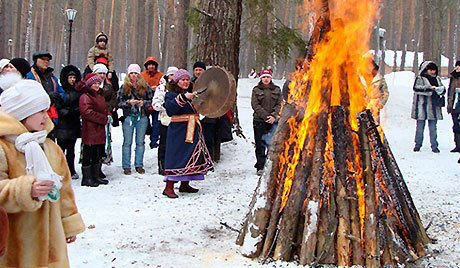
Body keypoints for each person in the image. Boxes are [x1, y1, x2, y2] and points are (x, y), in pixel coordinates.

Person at [0, 75, 85, 266]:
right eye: (40, 111)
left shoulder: (49, 148)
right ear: (23, 112)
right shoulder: (3, 148)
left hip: (51, 248)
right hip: (17, 248)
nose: (47, 116)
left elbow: (64, 191)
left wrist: (68, 223)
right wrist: (26, 190)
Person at [162, 69, 214, 198]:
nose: (185, 82)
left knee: (191, 155)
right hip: (178, 131)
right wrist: (183, 98)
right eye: (182, 80)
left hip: (192, 128)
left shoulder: (191, 94)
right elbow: (170, 109)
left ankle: (185, 184)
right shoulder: (171, 94)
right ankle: (168, 187)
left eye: (187, 79)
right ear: (176, 81)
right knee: (177, 156)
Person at [117, 64, 153, 175]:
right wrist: (128, 103)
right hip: (128, 117)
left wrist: (144, 103)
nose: (133, 75)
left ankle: (139, 164)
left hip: (142, 117)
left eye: (136, 73)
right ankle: (126, 166)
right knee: (127, 142)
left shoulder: (145, 86)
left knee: (140, 142)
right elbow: (118, 102)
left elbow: (152, 101)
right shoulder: (124, 87)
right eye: (131, 73)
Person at [78, 73, 109, 186]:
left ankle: (95, 176)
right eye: (94, 83)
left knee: (97, 153)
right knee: (89, 153)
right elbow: (87, 112)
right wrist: (102, 119)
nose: (96, 85)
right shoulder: (85, 96)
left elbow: (103, 109)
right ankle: (87, 177)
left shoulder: (99, 95)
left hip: (99, 129)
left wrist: (107, 115)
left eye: (98, 83)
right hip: (90, 129)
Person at [251, 69, 282, 175]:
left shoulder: (277, 90)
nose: (266, 79)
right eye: (264, 77)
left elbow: (279, 104)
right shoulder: (256, 90)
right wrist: (266, 117)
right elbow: (255, 105)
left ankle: (270, 165)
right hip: (259, 121)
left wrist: (273, 116)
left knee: (272, 144)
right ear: (261, 78)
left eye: (268, 77)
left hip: (273, 121)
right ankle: (260, 166)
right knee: (260, 144)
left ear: (271, 78)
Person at [26, 51, 65, 135]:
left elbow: (61, 92)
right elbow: (29, 94)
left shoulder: (51, 76)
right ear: (36, 60)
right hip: (35, 117)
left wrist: (58, 98)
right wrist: (47, 97)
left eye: (48, 60)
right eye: (43, 59)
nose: (46, 62)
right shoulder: (29, 75)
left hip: (51, 115)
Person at [411, 61, 446, 153]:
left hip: (434, 107)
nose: (432, 72)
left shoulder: (437, 78)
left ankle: (434, 146)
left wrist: (441, 90)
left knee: (433, 128)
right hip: (421, 106)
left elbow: (442, 88)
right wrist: (429, 89)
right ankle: (417, 145)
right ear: (426, 69)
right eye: (430, 70)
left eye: (434, 70)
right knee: (420, 127)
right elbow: (416, 88)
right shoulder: (420, 78)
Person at [56, 65, 82, 180]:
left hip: (73, 124)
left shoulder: (78, 91)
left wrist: (75, 111)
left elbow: (80, 105)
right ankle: (59, 170)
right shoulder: (61, 91)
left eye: (74, 77)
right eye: (70, 77)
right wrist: (66, 112)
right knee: (60, 149)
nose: (72, 80)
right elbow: (57, 106)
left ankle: (71, 169)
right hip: (62, 124)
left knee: (71, 150)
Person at [152, 66, 178, 174]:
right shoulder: (161, 87)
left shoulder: (179, 88)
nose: (172, 77)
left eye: (174, 75)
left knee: (175, 144)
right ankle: (162, 165)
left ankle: (174, 164)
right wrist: (167, 107)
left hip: (177, 120)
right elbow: (155, 103)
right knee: (164, 144)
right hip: (164, 119)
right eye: (171, 75)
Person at [93, 63, 116, 167]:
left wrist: (108, 109)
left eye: (104, 73)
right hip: (93, 118)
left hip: (106, 116)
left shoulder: (109, 86)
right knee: (93, 143)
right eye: (99, 73)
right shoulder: (90, 86)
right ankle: (91, 168)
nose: (102, 75)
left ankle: (101, 165)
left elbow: (113, 100)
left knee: (104, 141)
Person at [141, 56, 164, 149]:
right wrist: (148, 89)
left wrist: (157, 88)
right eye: (149, 65)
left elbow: (163, 86)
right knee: (145, 123)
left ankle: (154, 141)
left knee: (156, 123)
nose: (151, 66)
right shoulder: (142, 75)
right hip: (145, 102)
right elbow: (138, 87)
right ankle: (144, 137)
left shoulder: (161, 75)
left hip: (157, 101)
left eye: (153, 65)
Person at [447, 60, 460, 153]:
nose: (458, 68)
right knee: (455, 126)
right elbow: (450, 91)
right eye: (457, 66)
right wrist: (449, 104)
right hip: (454, 104)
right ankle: (457, 145)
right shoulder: (453, 77)